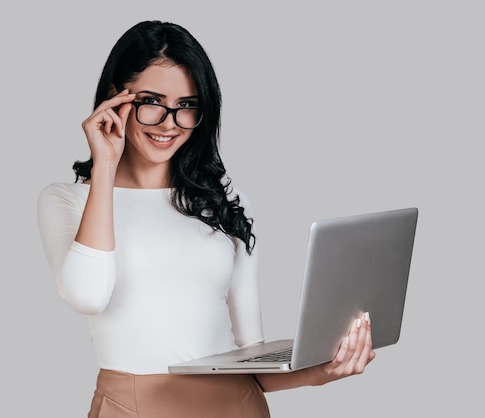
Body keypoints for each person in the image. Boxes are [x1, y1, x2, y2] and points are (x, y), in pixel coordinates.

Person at [37, 20, 375, 418]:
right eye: (151, 101)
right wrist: (106, 167)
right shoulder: (68, 200)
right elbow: (87, 295)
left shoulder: (228, 204)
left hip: (240, 407)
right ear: (115, 98)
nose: (169, 123)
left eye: (186, 106)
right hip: (132, 408)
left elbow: (250, 358)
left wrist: (323, 370)